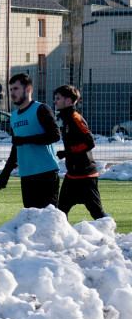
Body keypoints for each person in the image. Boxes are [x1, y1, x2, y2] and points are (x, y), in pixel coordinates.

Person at [0, 72, 61, 209]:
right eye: (11, 89)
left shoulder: (41, 109)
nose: (12, 93)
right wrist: (5, 173)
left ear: (28, 89)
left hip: (46, 173)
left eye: (16, 89)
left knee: (49, 220)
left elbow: (55, 135)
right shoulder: (14, 116)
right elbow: (16, 146)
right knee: (30, 220)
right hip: (26, 175)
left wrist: (26, 140)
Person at [54, 84, 107, 220]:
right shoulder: (66, 118)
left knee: (97, 214)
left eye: (58, 98)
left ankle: (112, 237)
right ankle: (62, 239)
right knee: (60, 212)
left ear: (69, 101)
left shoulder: (75, 118)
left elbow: (90, 142)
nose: (55, 101)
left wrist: (68, 152)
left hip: (86, 176)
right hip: (73, 175)